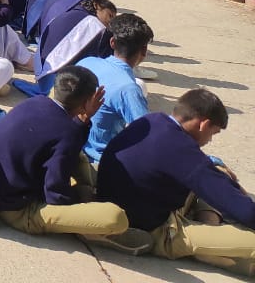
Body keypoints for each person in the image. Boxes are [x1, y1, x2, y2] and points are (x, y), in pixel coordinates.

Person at [0, 66, 149, 252]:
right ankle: (93, 229)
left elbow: (62, 140)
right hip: (17, 210)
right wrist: (79, 205)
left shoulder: (34, 102)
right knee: (115, 217)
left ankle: (88, 195)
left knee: (78, 157)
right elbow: (55, 193)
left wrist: (82, 120)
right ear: (87, 102)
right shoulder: (67, 132)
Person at [98, 88, 255, 273]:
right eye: (213, 133)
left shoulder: (153, 120)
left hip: (127, 201)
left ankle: (209, 231)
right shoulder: (180, 149)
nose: (210, 140)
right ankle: (205, 245)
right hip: (156, 230)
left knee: (217, 173)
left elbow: (209, 174)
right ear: (203, 124)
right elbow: (243, 210)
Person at [78, 13, 154, 165]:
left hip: (75, 148)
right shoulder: (128, 89)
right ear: (144, 51)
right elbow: (149, 137)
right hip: (100, 160)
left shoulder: (86, 62)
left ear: (112, 42)